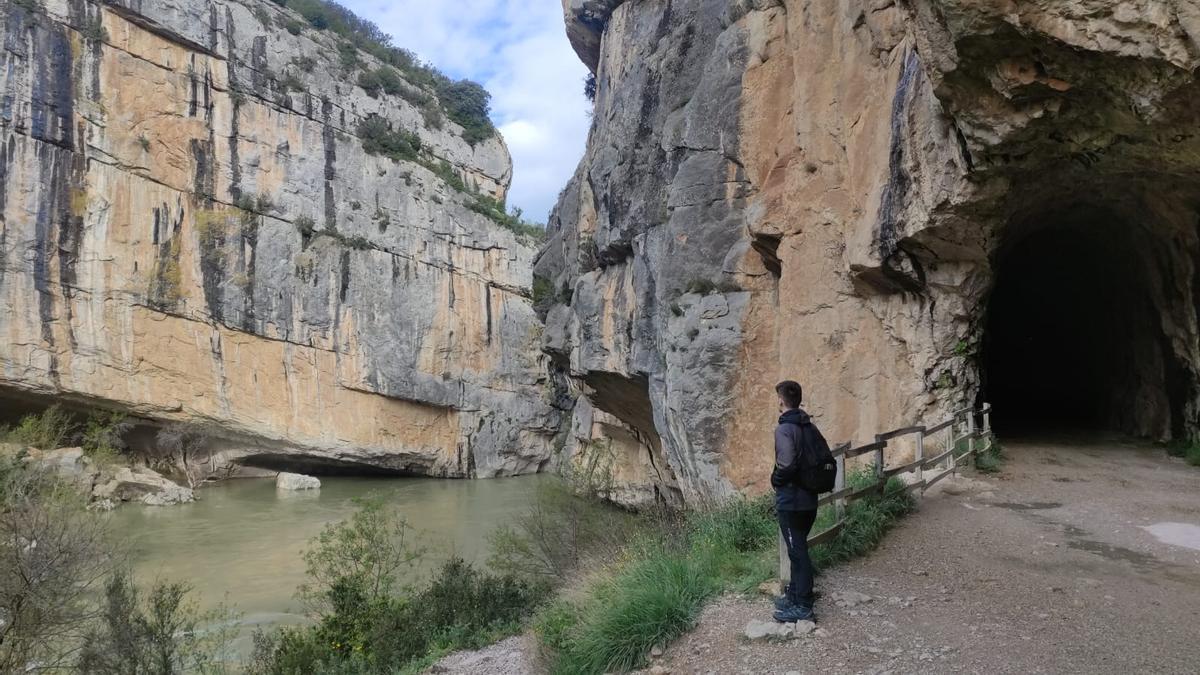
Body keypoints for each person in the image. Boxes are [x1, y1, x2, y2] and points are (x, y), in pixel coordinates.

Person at [770, 379, 825, 623]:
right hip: (809, 500)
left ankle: (803, 606)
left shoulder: (784, 429)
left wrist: (776, 478)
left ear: (781, 401)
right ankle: (794, 595)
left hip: (792, 502)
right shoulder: (809, 426)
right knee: (797, 550)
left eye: (777, 399)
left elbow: (787, 464)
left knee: (798, 552)